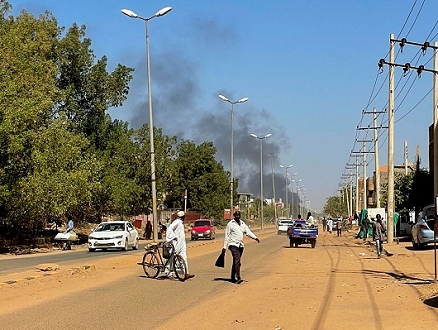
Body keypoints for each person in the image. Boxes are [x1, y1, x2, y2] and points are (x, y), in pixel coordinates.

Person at [222, 210, 260, 284]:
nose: (237, 216)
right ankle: (238, 277)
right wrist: (224, 247)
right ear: (234, 216)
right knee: (237, 260)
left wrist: (255, 238)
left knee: (236, 261)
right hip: (233, 244)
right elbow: (227, 236)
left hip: (240, 245)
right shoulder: (230, 224)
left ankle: (233, 277)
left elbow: (248, 232)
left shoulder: (242, 224)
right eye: (236, 215)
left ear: (240, 216)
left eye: (238, 215)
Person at [165, 211, 195, 279]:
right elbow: (170, 229)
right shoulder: (177, 222)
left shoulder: (180, 223)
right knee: (172, 258)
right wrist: (172, 237)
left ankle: (186, 273)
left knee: (184, 257)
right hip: (176, 243)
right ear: (183, 217)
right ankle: (168, 272)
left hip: (181, 244)